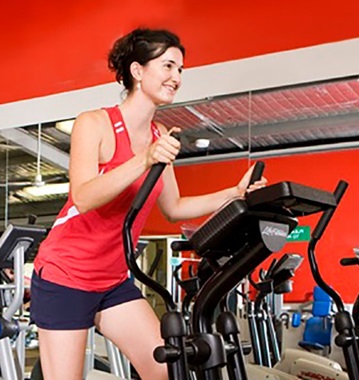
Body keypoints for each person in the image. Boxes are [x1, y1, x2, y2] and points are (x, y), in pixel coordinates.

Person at [29, 28, 267, 380]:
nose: (176, 77)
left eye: (181, 70)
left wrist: (234, 194)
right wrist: (143, 160)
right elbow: (83, 195)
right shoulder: (94, 123)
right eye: (168, 66)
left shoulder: (159, 136)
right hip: (66, 276)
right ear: (137, 71)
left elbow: (174, 207)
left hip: (112, 280)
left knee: (167, 370)